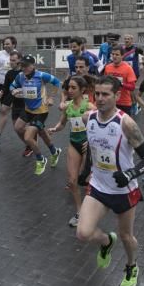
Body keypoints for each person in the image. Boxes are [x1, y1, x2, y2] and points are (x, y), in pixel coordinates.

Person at [75, 75, 144, 286]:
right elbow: (94, 147)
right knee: (82, 233)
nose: (99, 99)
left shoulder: (125, 123)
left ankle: (131, 266)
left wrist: (130, 174)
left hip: (123, 191)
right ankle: (106, 242)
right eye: (96, 94)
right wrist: (86, 170)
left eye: (105, 94)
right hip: (99, 187)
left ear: (117, 96)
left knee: (126, 236)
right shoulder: (87, 118)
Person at [47, 75, 95, 227]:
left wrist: (91, 142)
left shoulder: (90, 107)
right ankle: (80, 211)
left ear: (82, 90)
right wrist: (55, 128)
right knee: (72, 181)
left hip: (88, 146)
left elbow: (99, 127)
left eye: (74, 88)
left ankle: (92, 210)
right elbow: (62, 123)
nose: (70, 90)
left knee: (88, 181)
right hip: (74, 144)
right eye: (68, 87)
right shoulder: (68, 107)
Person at [10, 56, 63, 175]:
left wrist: (51, 97)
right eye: (22, 66)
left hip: (41, 111)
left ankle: (40, 159)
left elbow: (56, 82)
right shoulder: (20, 76)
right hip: (28, 110)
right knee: (19, 127)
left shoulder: (41, 75)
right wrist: (14, 91)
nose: (24, 68)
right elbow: (12, 86)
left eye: (27, 66)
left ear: (33, 65)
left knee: (28, 137)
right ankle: (54, 152)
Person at [102, 46, 138, 115]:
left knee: (124, 125)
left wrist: (121, 84)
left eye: (117, 54)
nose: (114, 56)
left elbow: (132, 87)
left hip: (124, 103)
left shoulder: (128, 68)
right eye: (113, 54)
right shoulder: (107, 67)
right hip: (110, 101)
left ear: (122, 56)